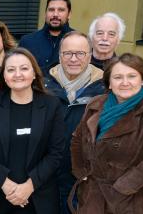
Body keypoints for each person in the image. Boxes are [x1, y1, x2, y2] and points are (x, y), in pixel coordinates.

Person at [70, 53, 143, 213]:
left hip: (126, 200)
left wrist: (122, 188)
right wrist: (80, 171)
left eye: (132, 76)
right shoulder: (96, 104)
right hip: (91, 195)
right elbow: (77, 139)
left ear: (142, 80)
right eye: (118, 77)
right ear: (109, 83)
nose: (125, 83)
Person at [0, 48, 65, 214]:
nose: (17, 74)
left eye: (24, 68)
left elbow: (56, 152)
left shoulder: (52, 105)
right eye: (11, 70)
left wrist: (29, 186)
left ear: (34, 73)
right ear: (4, 76)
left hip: (37, 197)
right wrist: (6, 184)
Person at [41, 31, 105, 214]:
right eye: (67, 53)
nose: (73, 59)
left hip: (83, 181)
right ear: (60, 55)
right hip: (46, 178)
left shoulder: (104, 91)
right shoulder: (42, 85)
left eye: (80, 53)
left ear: (90, 55)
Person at [19, 0, 75, 71]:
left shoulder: (79, 41)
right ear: (45, 13)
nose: (55, 14)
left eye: (61, 10)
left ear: (69, 14)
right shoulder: (28, 41)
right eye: (51, 10)